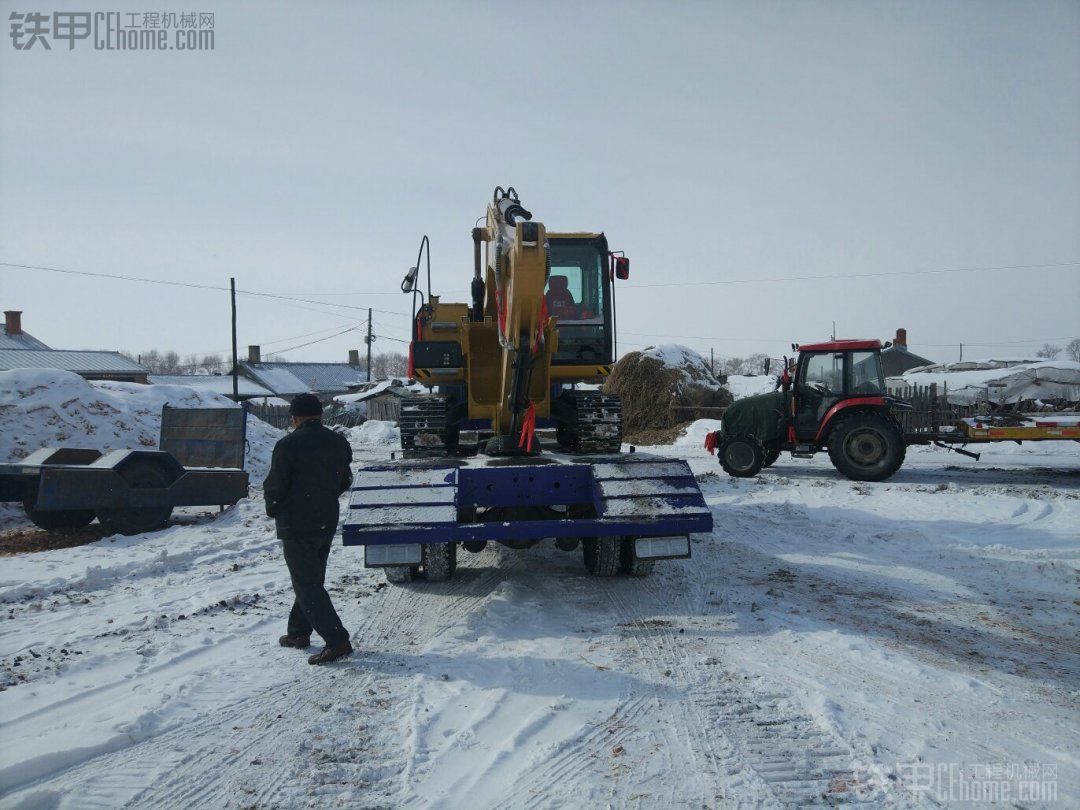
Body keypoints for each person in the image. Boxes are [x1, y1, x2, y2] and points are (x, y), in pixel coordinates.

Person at [263, 393, 354, 665]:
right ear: (320, 415)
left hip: (297, 523)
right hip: (325, 520)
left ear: (295, 417)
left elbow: (275, 485)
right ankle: (298, 633)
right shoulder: (338, 442)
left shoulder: (287, 445)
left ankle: (337, 641)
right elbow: (345, 479)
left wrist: (274, 508)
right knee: (310, 580)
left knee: (307, 584)